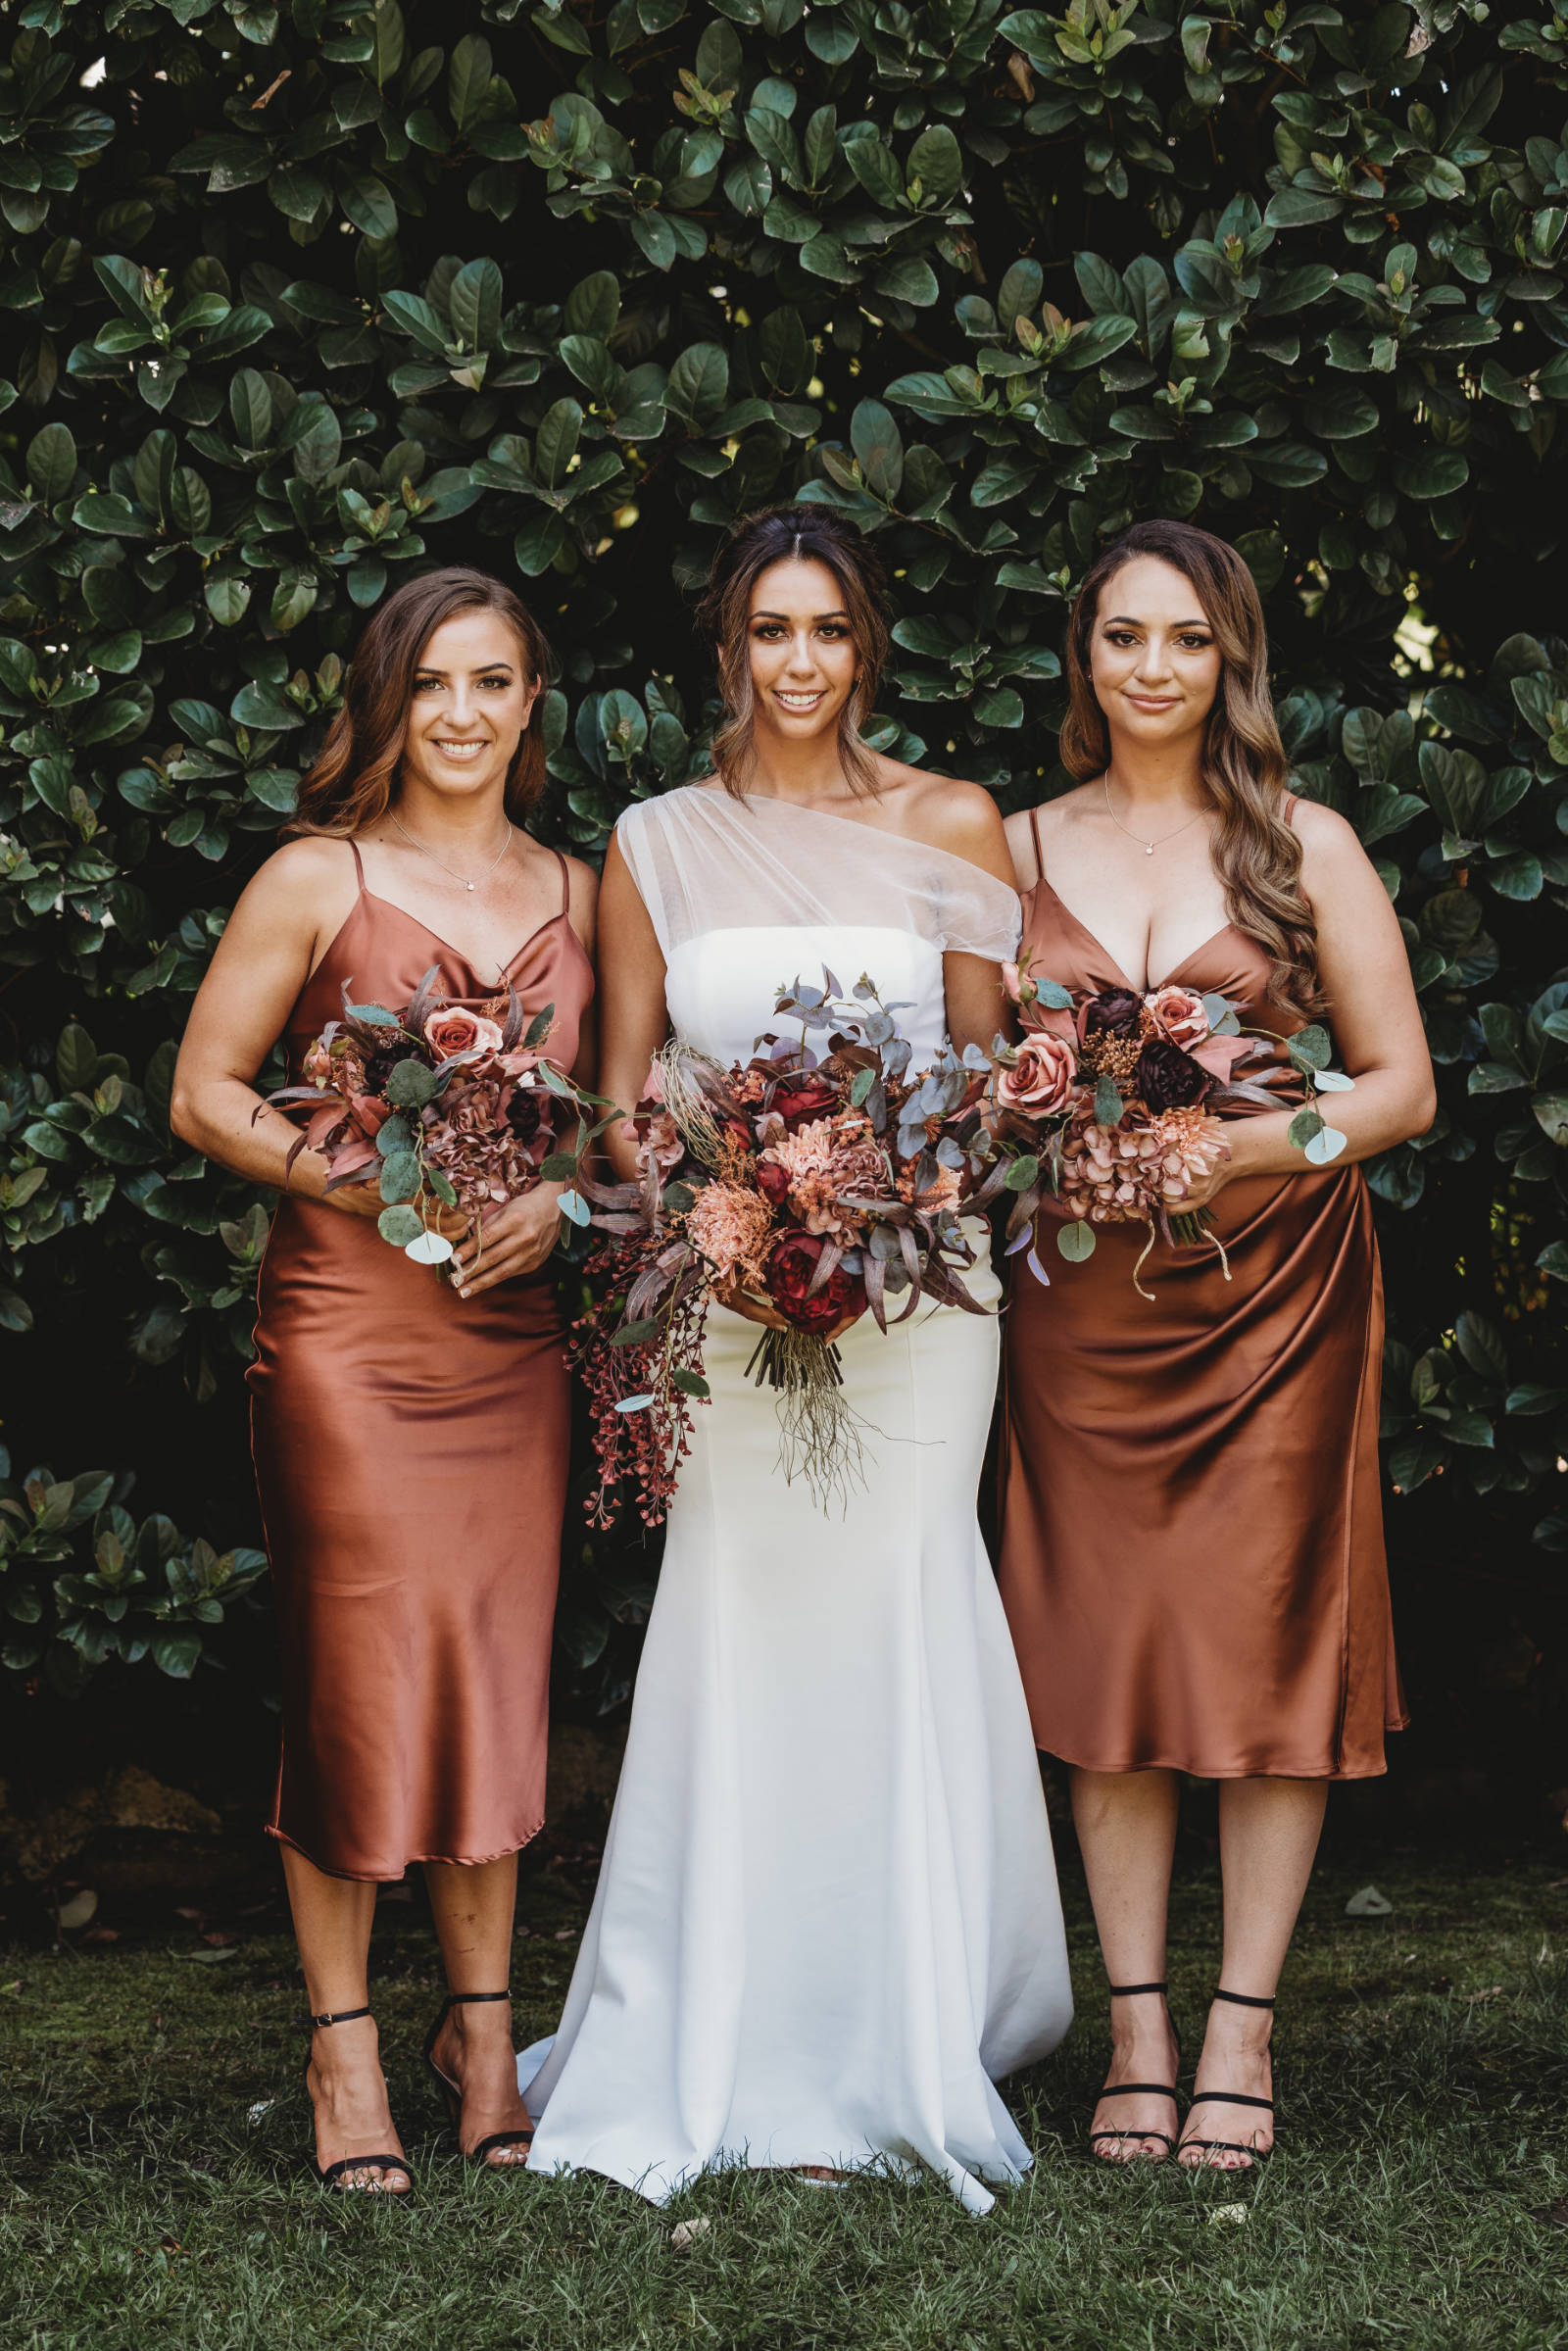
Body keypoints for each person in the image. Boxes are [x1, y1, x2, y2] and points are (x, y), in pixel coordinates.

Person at [518, 505, 1072, 2212]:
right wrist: (729, 1208)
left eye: (829, 630)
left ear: (869, 646)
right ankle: (727, 2025)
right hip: (729, 1295)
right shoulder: (658, 841)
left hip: (924, 1300)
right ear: (729, 647)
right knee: (744, 1616)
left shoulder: (952, 818)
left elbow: (991, 1086)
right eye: (773, 631)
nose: (803, 662)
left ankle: (898, 2024)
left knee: (899, 1600)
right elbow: (624, 1095)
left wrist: (880, 1194)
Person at [999, 519, 1435, 2171]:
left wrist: (1253, 1150)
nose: (1154, 670)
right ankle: (1135, 2030)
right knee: (1106, 1652)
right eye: (1124, 638)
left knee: (1263, 1653)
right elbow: (965, 1089)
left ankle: (1242, 2027)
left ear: (1230, 659)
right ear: (1083, 655)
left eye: (1186, 641)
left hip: (1276, 1299)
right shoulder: (1012, 842)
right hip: (1084, 1309)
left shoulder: (1302, 843)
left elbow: (1398, 1089)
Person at [172, 568, 597, 2191]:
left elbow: (622, 1119)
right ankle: (343, 2047)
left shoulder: (585, 883)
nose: (465, 716)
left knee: (497, 1676)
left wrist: (565, 1204)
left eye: (494, 682)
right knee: (355, 1681)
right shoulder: (318, 875)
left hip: (512, 1345)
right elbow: (205, 1093)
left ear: (531, 701)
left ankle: (483, 2038)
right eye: (433, 684)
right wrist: (375, 1190)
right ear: (389, 701)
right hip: (350, 1332)